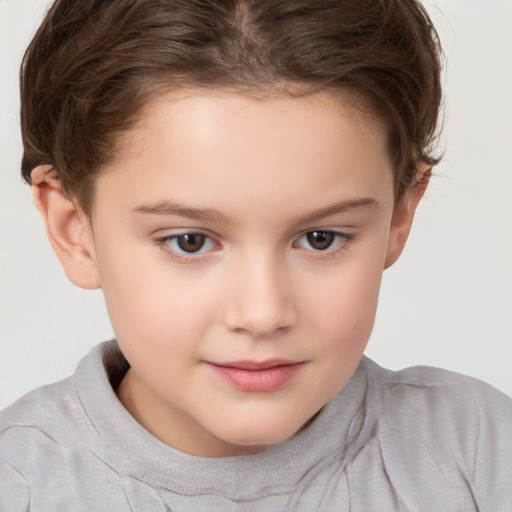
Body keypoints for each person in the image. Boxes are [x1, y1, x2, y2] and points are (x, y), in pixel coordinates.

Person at [0, 0, 510, 510]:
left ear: (399, 216)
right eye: (190, 241)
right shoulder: (18, 484)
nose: (263, 314)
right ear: (74, 230)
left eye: (321, 238)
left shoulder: (480, 454)